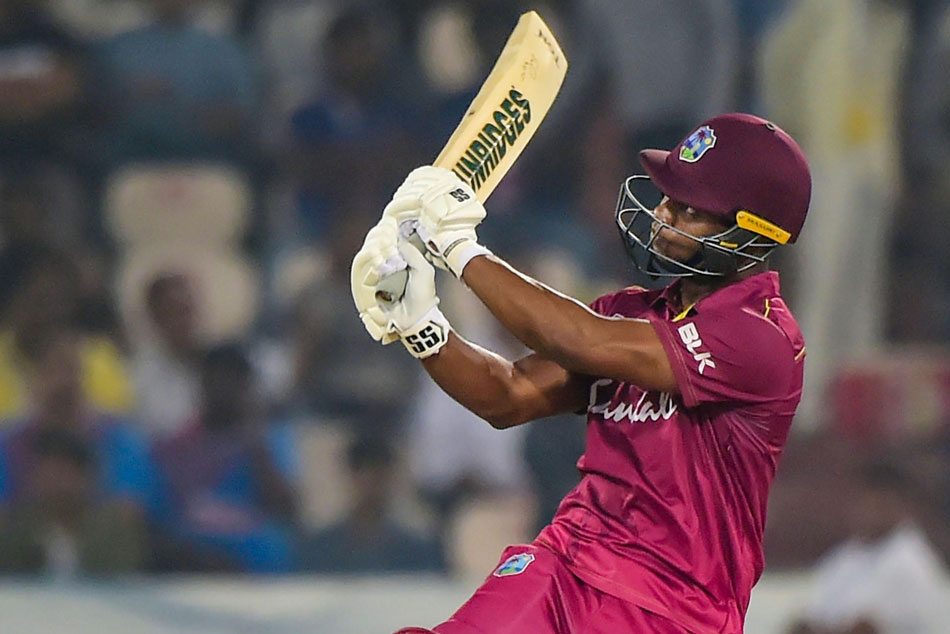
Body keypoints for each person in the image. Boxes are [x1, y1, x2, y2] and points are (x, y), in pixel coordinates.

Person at [351, 113, 811, 634]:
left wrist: (459, 248)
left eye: (689, 209)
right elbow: (509, 395)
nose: (662, 213)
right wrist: (420, 324)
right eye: (668, 196)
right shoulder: (630, 314)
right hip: (565, 564)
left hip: (672, 606)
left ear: (752, 231)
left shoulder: (762, 336)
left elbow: (580, 340)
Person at [150, 343, 299, 573]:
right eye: (216, 380)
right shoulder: (180, 444)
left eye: (233, 380)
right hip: (194, 545)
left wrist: (255, 447)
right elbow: (165, 511)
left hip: (252, 545)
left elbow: (288, 510)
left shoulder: (271, 438)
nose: (223, 389)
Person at [300, 435, 445, 574]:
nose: (370, 485)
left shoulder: (416, 550)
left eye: (378, 476)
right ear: (349, 476)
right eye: (363, 475)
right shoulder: (320, 547)